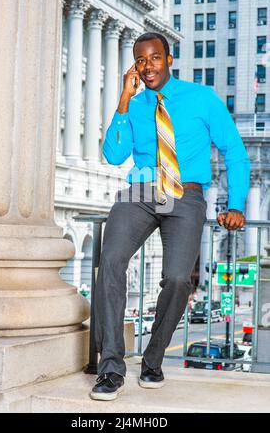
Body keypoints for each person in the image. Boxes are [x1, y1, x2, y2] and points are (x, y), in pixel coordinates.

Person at [90, 32, 250, 401]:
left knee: (178, 278)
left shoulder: (202, 98)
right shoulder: (135, 104)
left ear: (169, 58)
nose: (148, 67)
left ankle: (152, 359)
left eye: (155, 58)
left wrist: (237, 204)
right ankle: (111, 368)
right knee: (111, 261)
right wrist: (124, 100)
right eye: (141, 60)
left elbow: (235, 152)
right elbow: (114, 156)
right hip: (142, 192)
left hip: (186, 195)